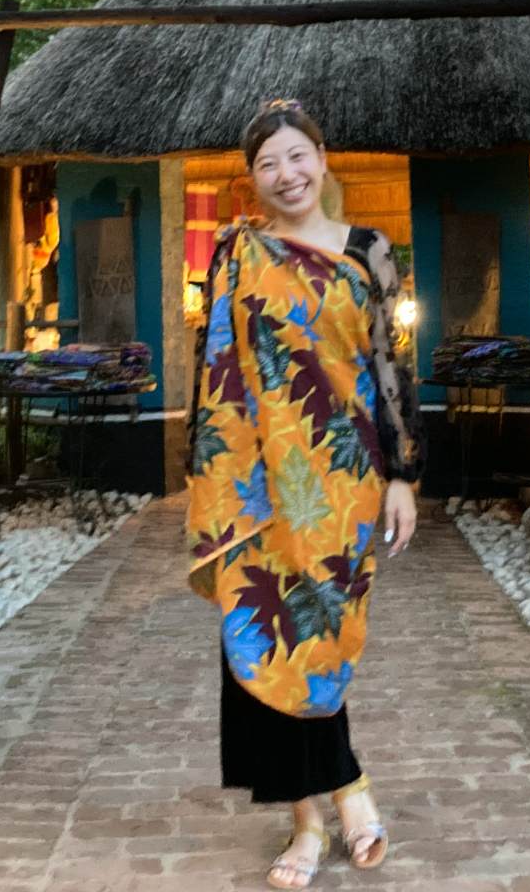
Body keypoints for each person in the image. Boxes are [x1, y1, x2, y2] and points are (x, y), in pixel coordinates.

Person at [185, 99, 424, 890]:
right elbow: (214, 370)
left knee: (320, 638)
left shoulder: (367, 252)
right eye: (267, 164)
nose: (285, 175)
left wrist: (403, 475)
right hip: (256, 485)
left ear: (322, 159)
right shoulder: (237, 255)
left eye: (296, 157)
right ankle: (314, 817)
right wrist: (208, 478)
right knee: (267, 636)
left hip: (343, 482)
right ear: (252, 179)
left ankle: (340, 789)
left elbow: (391, 366)